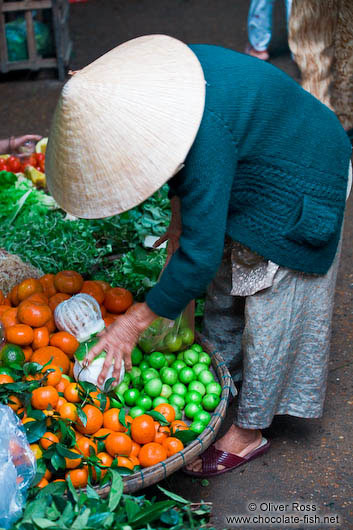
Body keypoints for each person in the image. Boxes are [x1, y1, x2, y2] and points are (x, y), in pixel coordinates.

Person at [45, 35, 352, 477]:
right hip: (259, 152)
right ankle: (224, 383)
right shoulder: (166, 89)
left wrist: (132, 324)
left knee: (272, 313)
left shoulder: (206, 127)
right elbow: (175, 162)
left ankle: (249, 433)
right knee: (227, 287)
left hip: (304, 172)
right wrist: (178, 223)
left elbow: (199, 256)